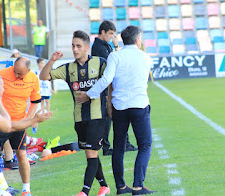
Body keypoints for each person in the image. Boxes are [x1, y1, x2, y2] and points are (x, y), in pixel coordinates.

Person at [76, 26, 156, 195]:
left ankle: (121, 186)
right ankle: (137, 186)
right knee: (145, 145)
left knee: (118, 147)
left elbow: (106, 80)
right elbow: (148, 65)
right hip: (139, 105)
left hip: (119, 107)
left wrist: (88, 95)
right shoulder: (145, 57)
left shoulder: (115, 56)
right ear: (137, 40)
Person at [39, 30, 110, 196]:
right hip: (79, 118)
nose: (75, 49)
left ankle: (84, 192)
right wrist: (52, 60)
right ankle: (104, 186)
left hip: (97, 116)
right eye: (73, 46)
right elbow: (44, 76)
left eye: (78, 46)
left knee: (92, 153)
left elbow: (112, 80)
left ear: (87, 47)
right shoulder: (68, 68)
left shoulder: (100, 63)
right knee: (90, 153)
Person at [0, 57, 42, 196]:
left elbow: (35, 101)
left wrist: (28, 119)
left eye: (20, 74)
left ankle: (26, 190)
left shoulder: (33, 78)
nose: (16, 75)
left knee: (22, 154)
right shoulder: (2, 74)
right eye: (15, 71)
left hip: (19, 122)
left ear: (28, 71)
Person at [91, 20, 137, 156]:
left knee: (114, 117)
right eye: (110, 33)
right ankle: (107, 147)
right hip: (106, 89)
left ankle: (121, 144)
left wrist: (116, 46)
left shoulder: (106, 46)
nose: (112, 36)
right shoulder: (99, 48)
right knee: (109, 119)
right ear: (103, 32)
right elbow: (112, 68)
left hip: (110, 88)